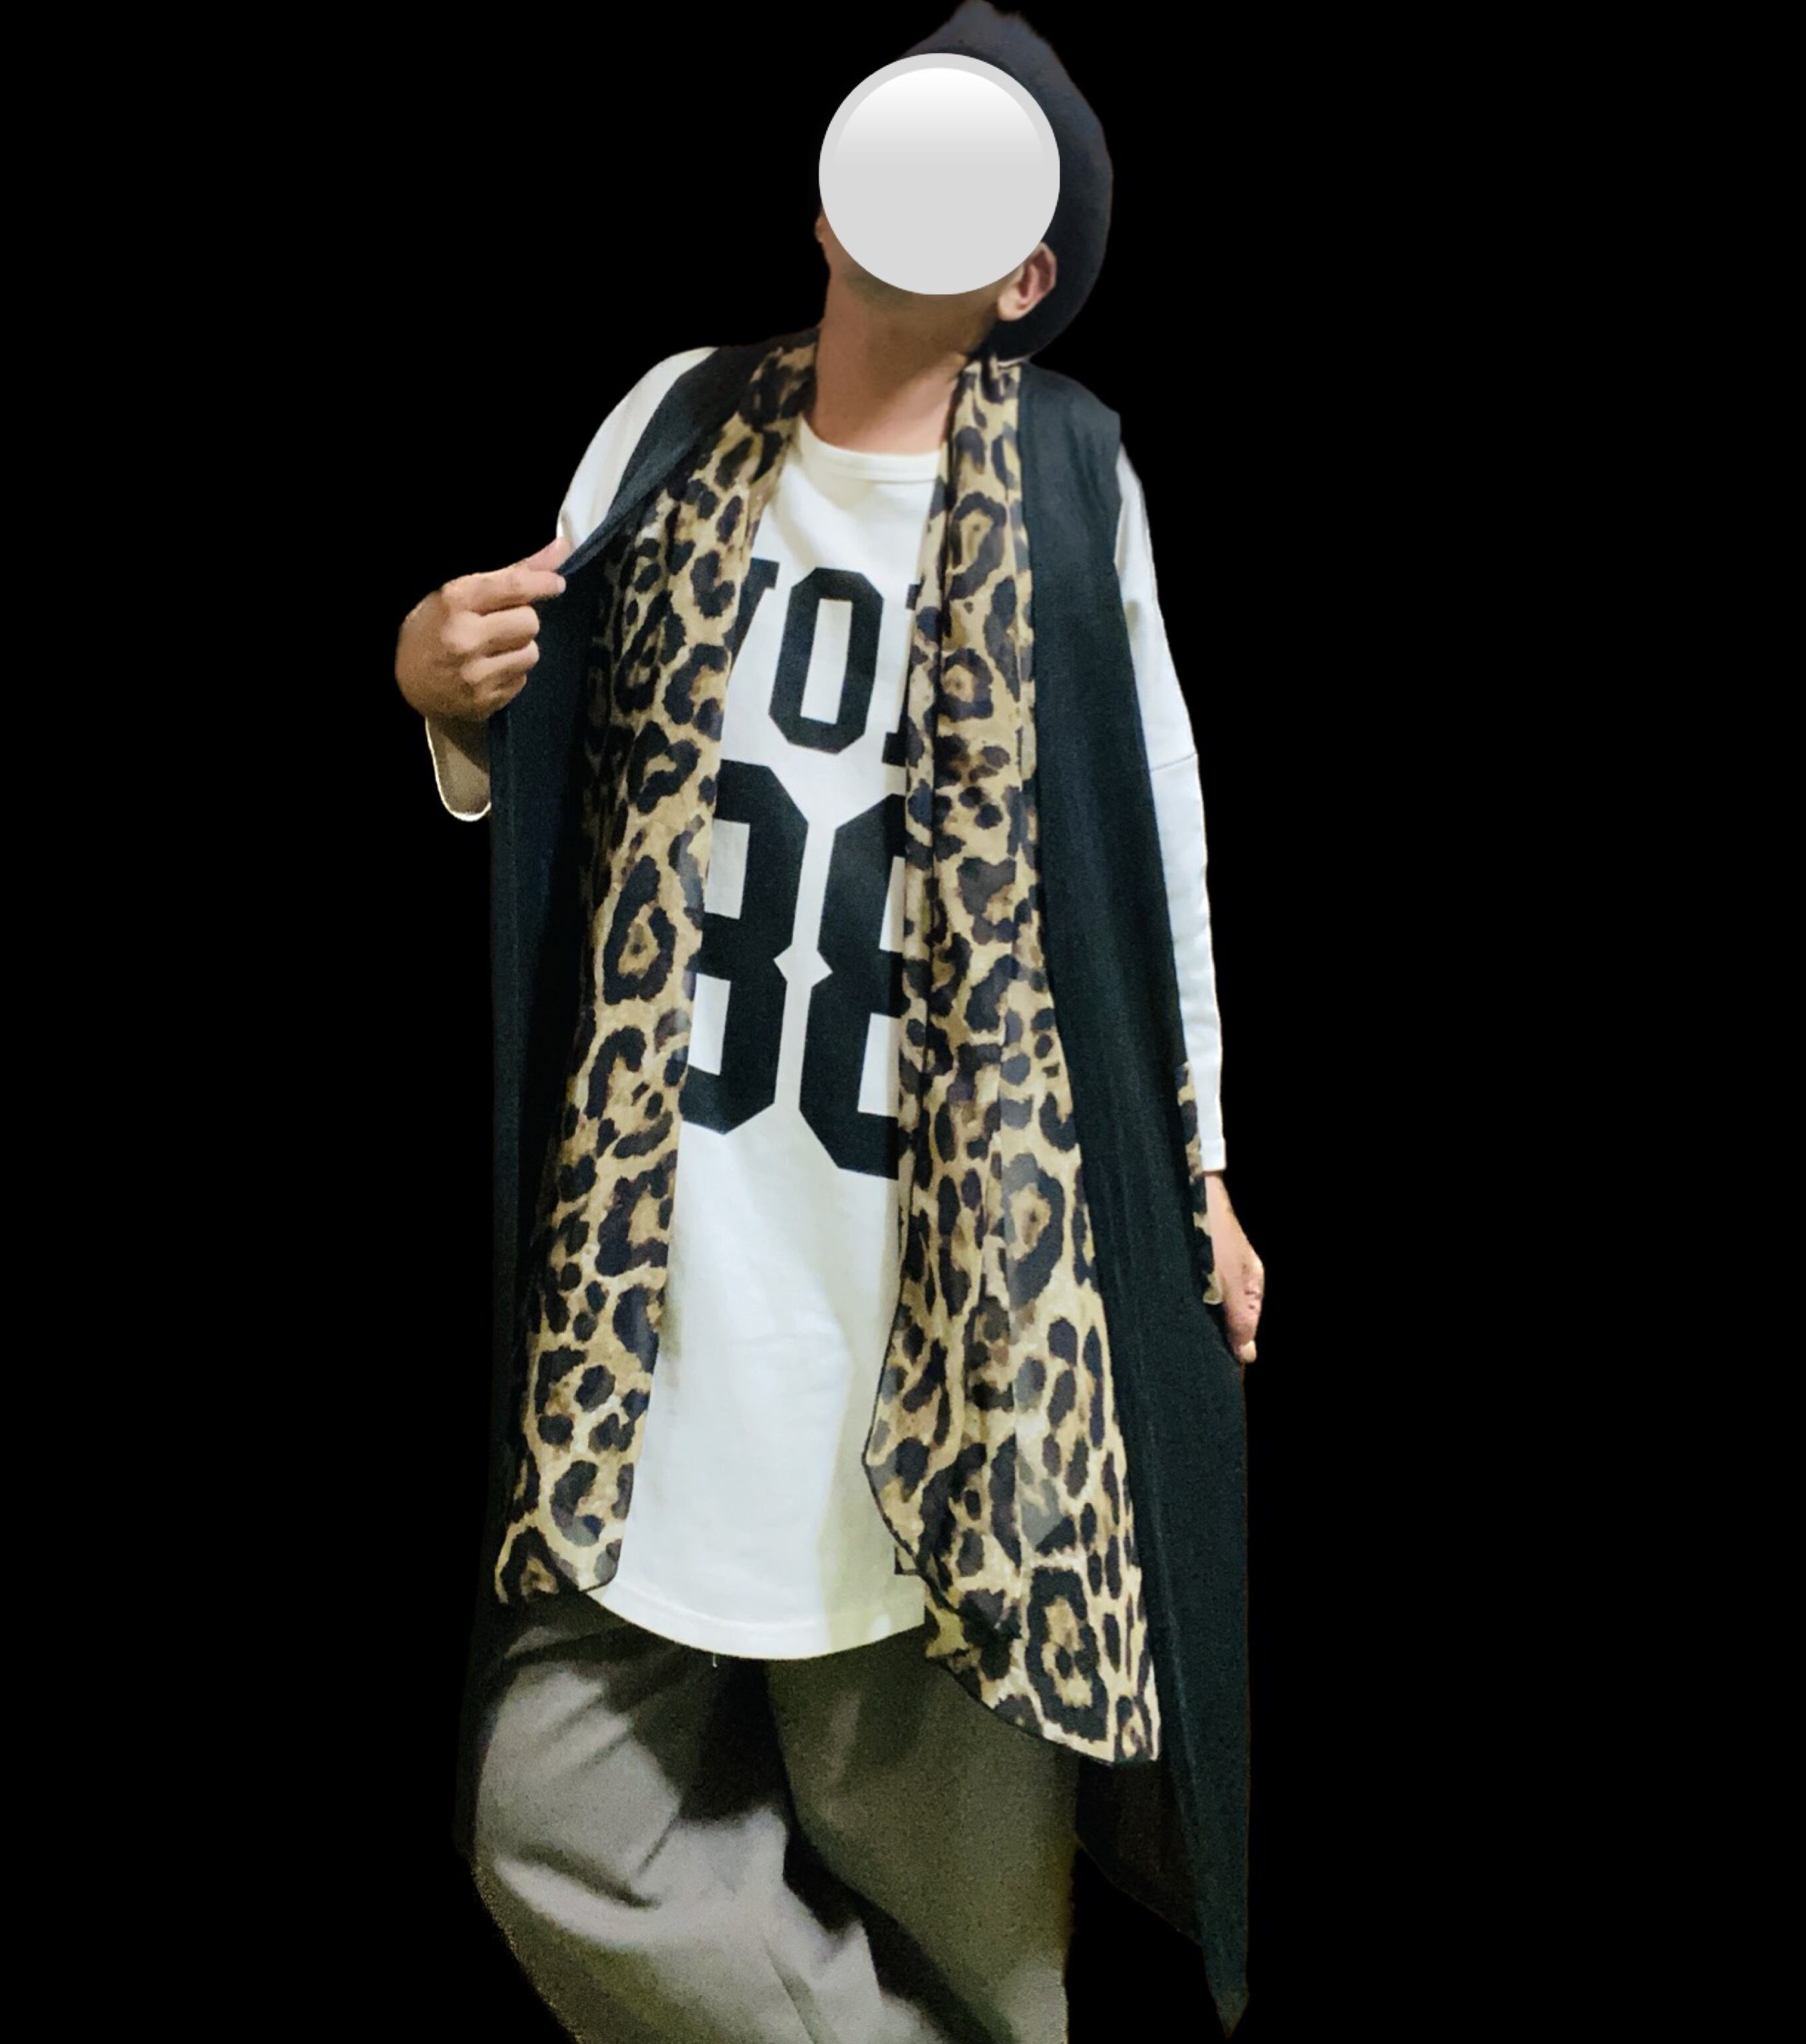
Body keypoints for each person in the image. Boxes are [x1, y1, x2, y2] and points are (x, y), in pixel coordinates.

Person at [395, 6, 1263, 2037]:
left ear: (1028, 273)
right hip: (669, 1263)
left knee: (965, 1899)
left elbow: (1153, 836)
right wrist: (445, 701)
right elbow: (546, 727)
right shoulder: (678, 418)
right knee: (554, 1813)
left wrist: (1204, 1165)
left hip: (945, 1295)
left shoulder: (1069, 474)